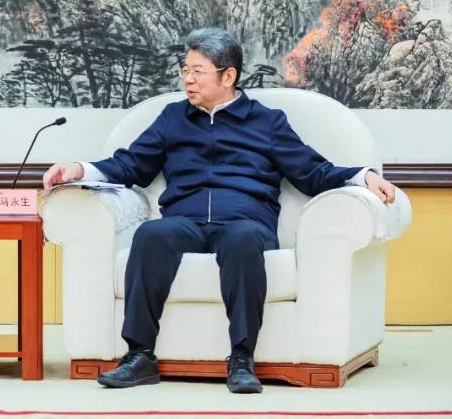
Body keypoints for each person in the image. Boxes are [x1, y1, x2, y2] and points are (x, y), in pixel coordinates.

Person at [43, 27, 395, 394]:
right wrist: (79, 170)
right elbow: (131, 164)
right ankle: (139, 355)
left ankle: (241, 359)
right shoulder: (172, 118)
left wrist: (363, 176)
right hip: (185, 221)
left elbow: (312, 172)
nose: (188, 79)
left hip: (246, 221)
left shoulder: (267, 122)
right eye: (185, 70)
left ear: (228, 76)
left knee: (242, 240)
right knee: (151, 235)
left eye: (198, 71)